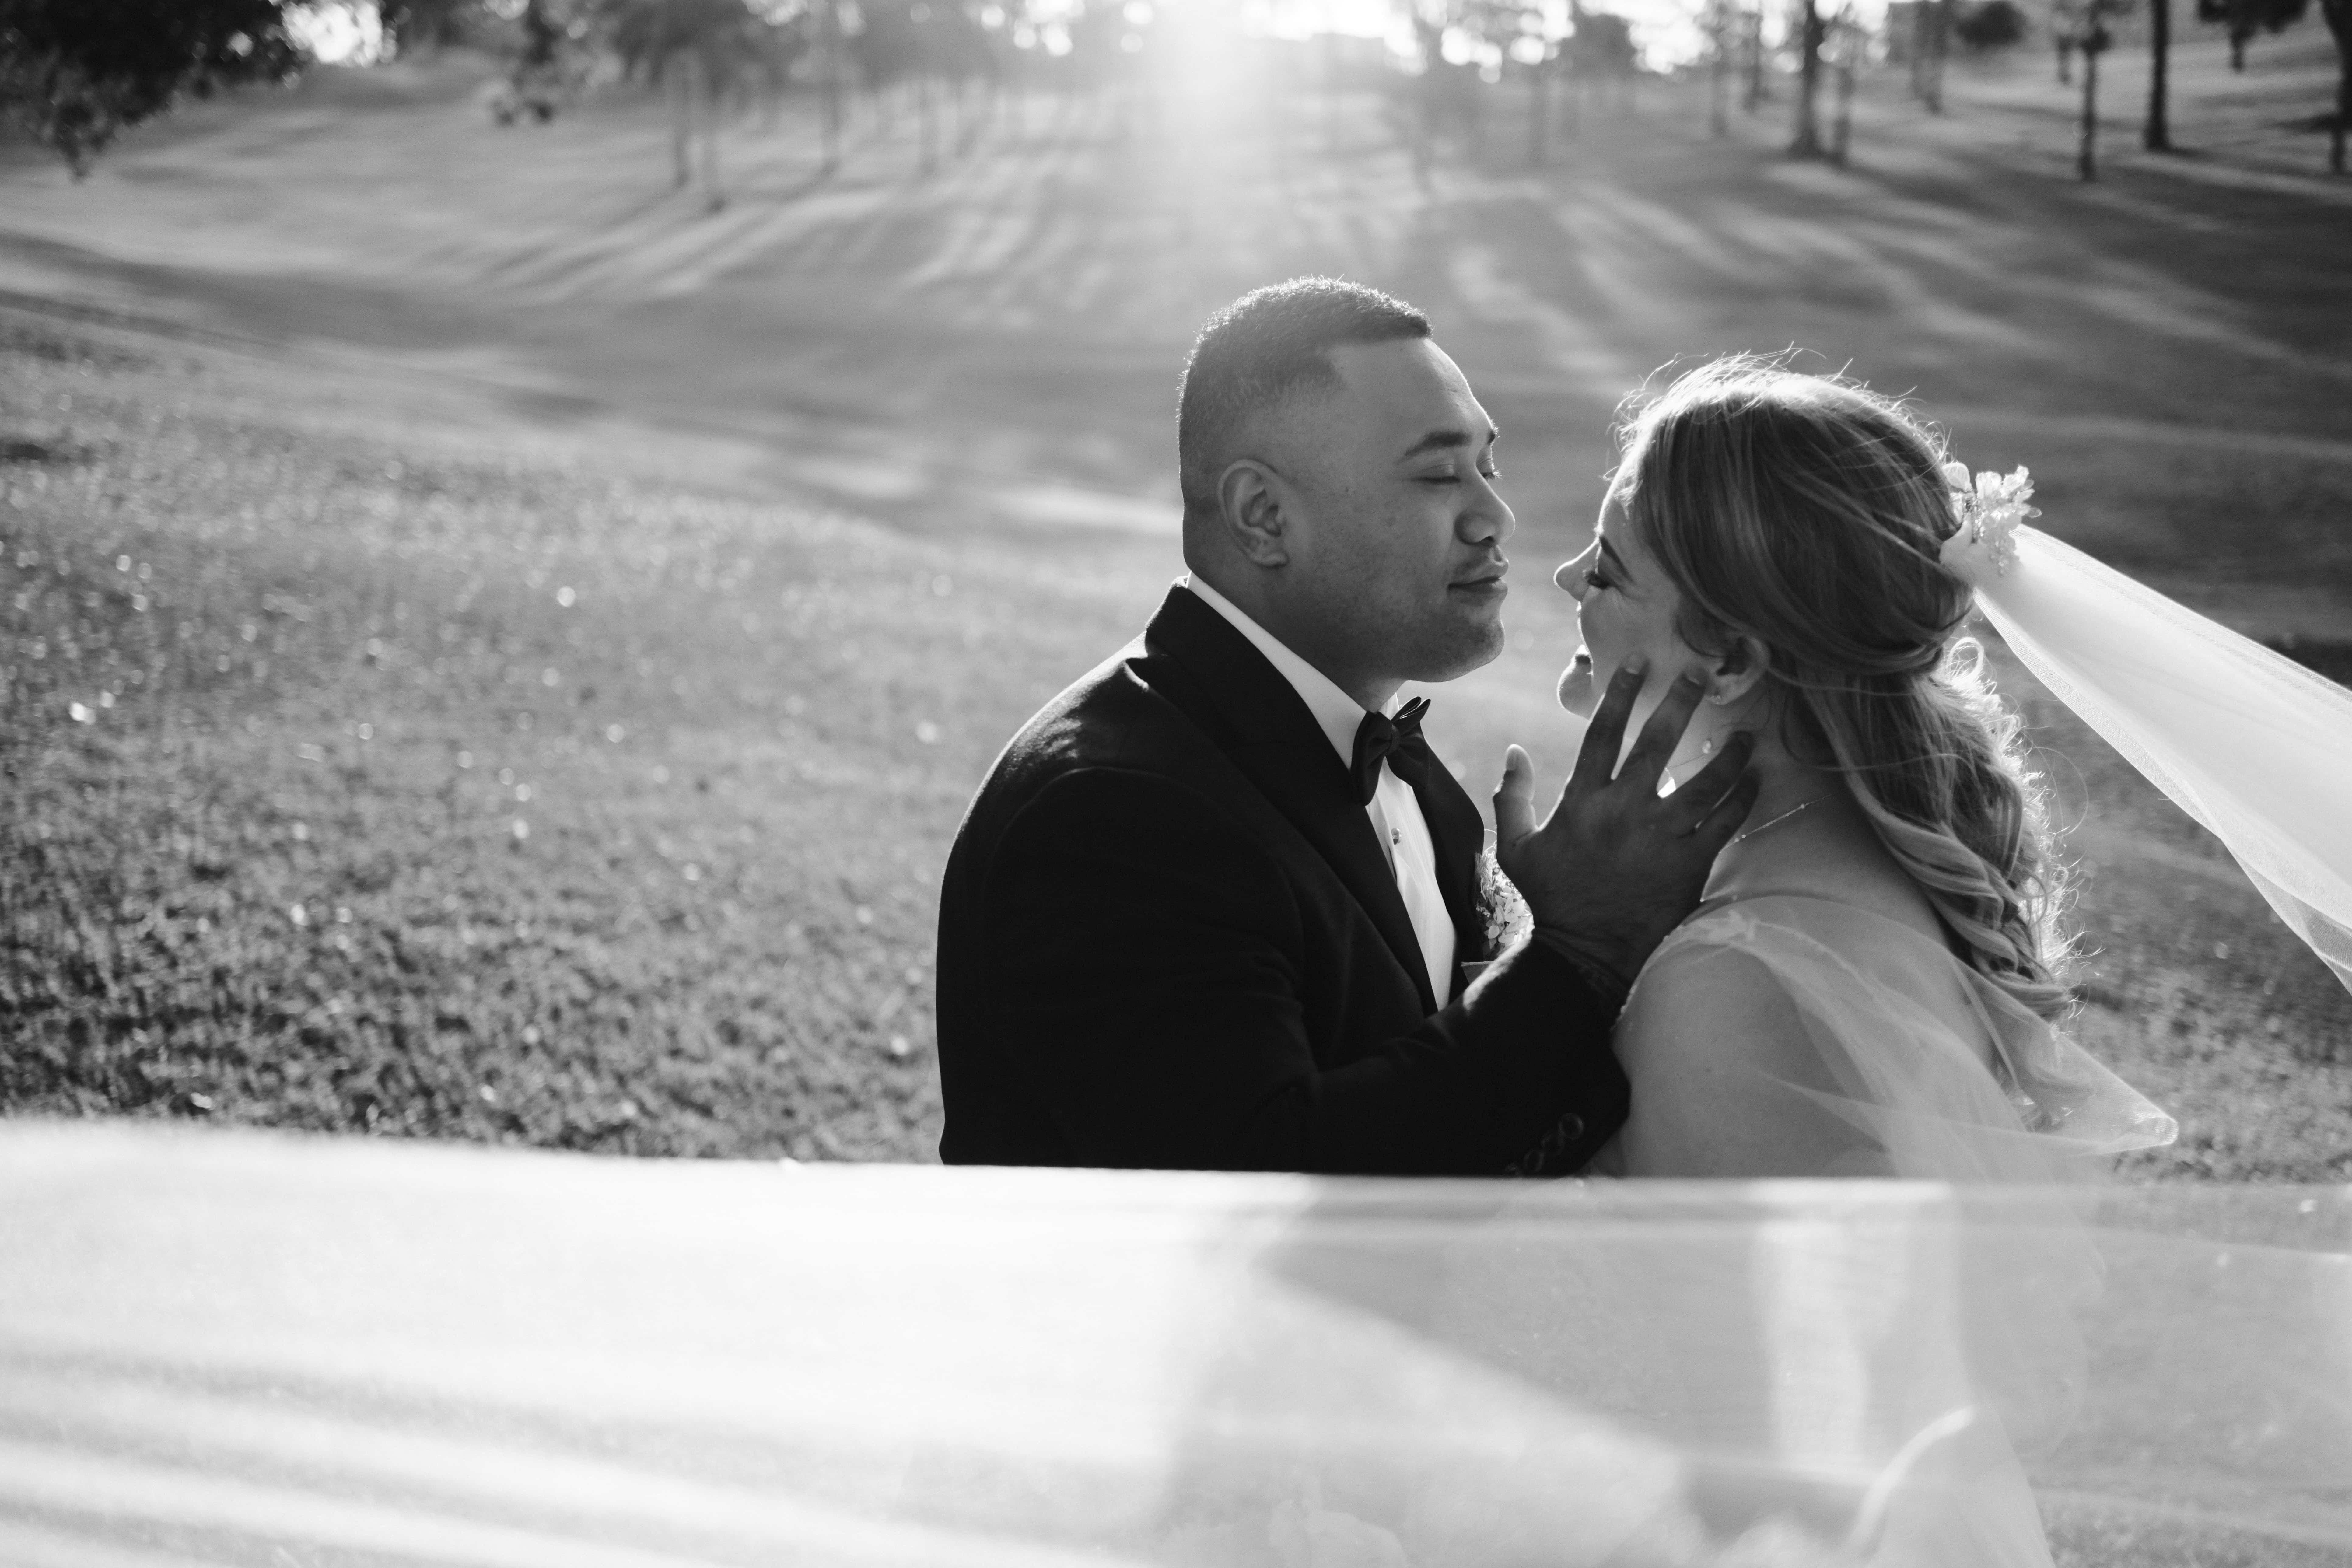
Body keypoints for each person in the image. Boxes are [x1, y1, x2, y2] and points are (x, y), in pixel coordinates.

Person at [933, 278, 1758, 1175]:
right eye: (1438, 474)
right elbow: (1261, 1191)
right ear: (1264, 517)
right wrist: (1578, 954)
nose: (1496, 517)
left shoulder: (1402, 767)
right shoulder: (1111, 812)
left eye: (1488, 467)